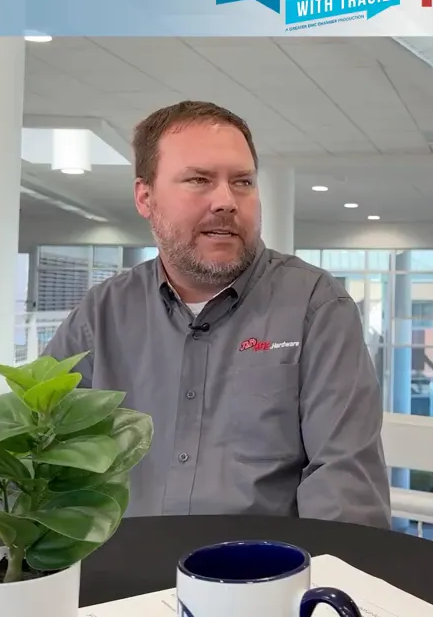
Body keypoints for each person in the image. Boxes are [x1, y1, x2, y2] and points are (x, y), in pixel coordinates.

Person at [42, 100, 391, 528]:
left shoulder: (316, 308)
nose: (226, 201)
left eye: (242, 181)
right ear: (145, 197)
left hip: (266, 584)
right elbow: (27, 453)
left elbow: (345, 487)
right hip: (121, 583)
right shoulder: (100, 317)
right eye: (199, 180)